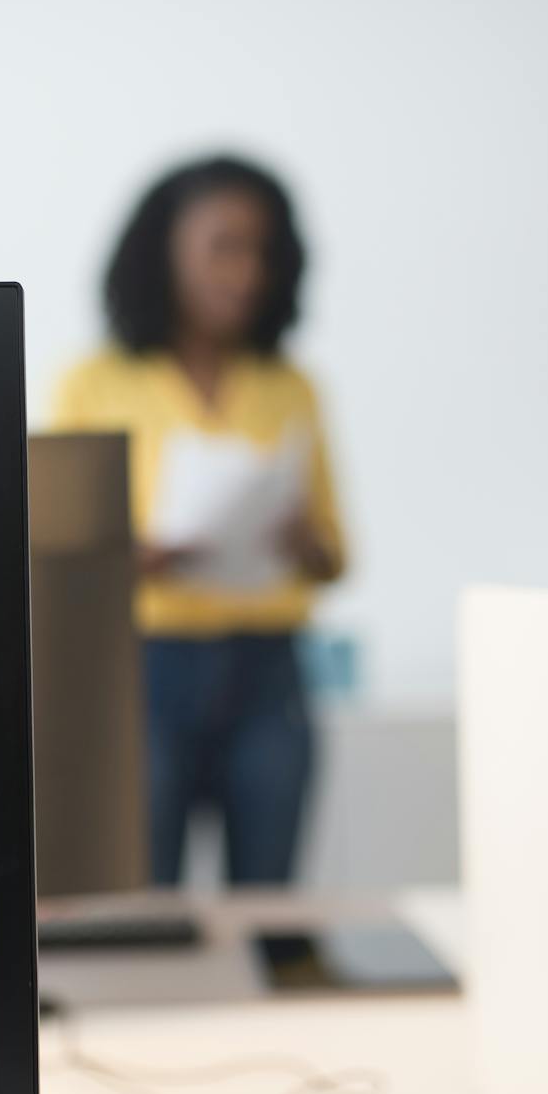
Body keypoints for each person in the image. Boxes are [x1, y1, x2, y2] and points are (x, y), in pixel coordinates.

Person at [52, 155, 345, 886]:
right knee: (142, 904)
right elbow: (58, 562)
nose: (245, 272)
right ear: (166, 250)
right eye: (224, 246)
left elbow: (338, 556)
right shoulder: (93, 383)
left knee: (267, 908)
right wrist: (137, 557)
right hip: (147, 670)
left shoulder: (293, 387)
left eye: (262, 252)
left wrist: (303, 542)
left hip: (271, 672)